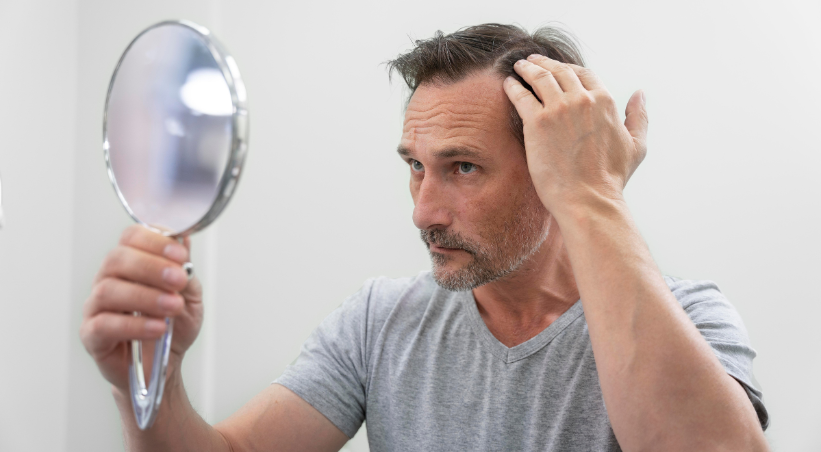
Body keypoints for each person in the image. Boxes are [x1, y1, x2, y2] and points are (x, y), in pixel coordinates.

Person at [80, 23, 769, 451]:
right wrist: (151, 390)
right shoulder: (381, 320)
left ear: (553, 166)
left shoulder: (692, 319)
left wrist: (592, 193)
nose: (423, 211)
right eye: (415, 167)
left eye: (462, 167)